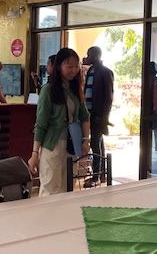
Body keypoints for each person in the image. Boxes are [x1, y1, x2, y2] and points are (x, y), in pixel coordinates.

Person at [28, 48, 90, 196]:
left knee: (67, 190)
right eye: (69, 66)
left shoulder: (75, 90)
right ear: (58, 66)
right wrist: (35, 153)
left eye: (76, 66)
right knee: (50, 190)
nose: (74, 70)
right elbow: (41, 124)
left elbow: (85, 116)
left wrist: (85, 139)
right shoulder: (48, 90)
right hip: (52, 146)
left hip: (71, 146)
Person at [84, 46, 114, 184]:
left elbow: (108, 97)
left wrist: (104, 117)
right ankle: (101, 174)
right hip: (89, 114)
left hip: (98, 115)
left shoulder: (105, 72)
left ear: (96, 56)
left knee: (95, 144)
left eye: (89, 55)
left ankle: (96, 176)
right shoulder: (90, 71)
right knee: (98, 143)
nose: (87, 57)